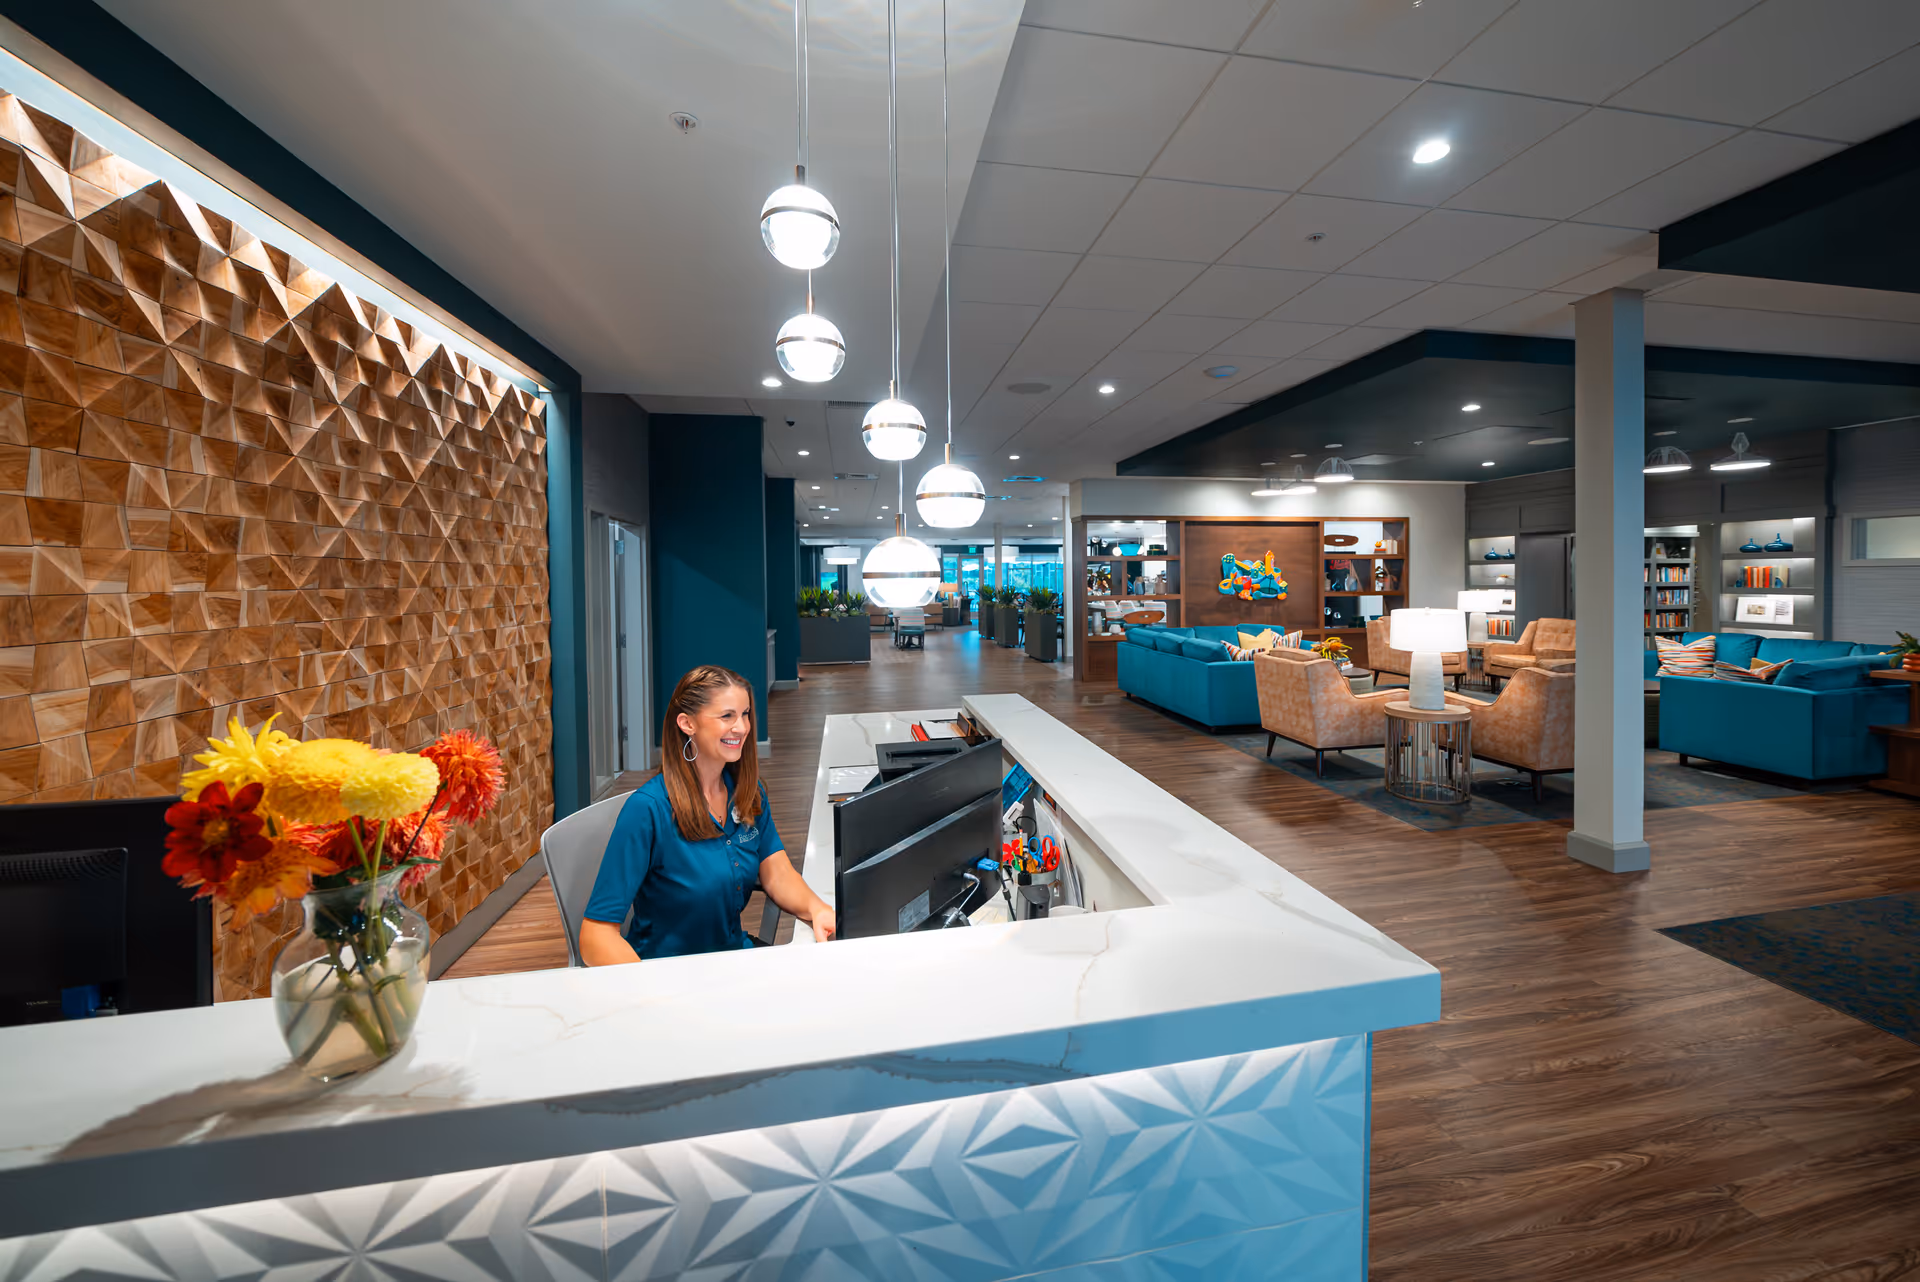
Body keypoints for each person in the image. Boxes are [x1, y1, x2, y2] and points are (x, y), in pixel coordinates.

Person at [581, 665, 835, 964]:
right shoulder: (648, 809)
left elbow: (776, 871)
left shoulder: (747, 792)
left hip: (732, 962)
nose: (741, 727)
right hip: (670, 976)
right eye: (726, 716)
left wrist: (817, 909)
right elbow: (595, 934)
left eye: (745, 714)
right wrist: (653, 998)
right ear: (687, 724)